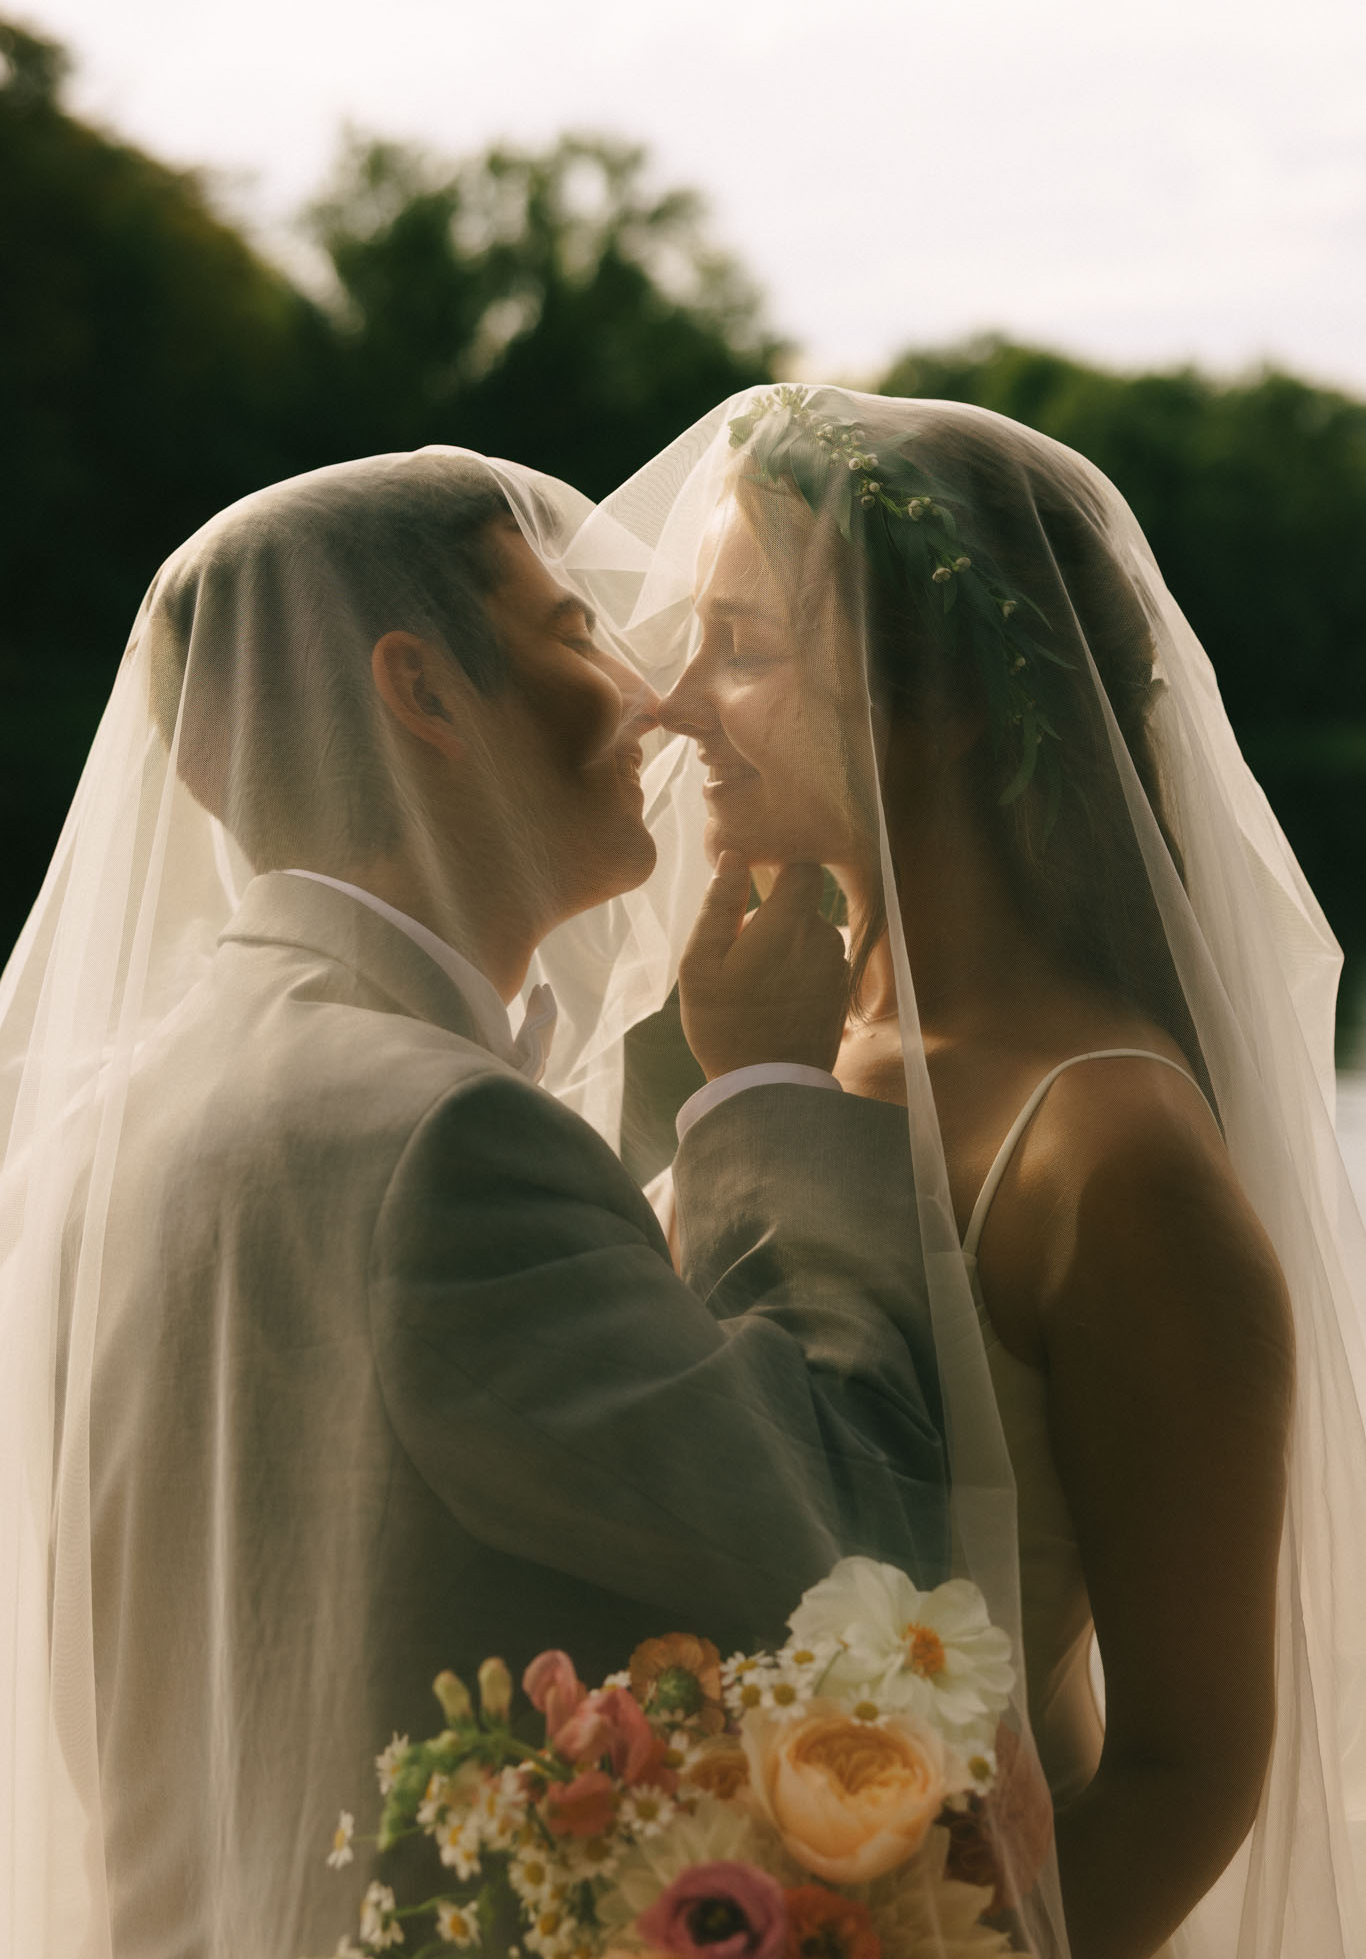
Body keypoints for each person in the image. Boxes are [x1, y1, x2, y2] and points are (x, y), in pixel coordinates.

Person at [0, 449, 954, 1959]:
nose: (646, 699)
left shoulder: (94, 1129)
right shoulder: (449, 1141)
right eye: (572, 632)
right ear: (421, 693)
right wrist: (764, 1100)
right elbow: (850, 1567)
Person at [573, 387, 1366, 1959]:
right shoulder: (778, 1038)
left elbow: (1186, 1769)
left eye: (740, 646)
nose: (667, 706)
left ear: (929, 700)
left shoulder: (1107, 1157)